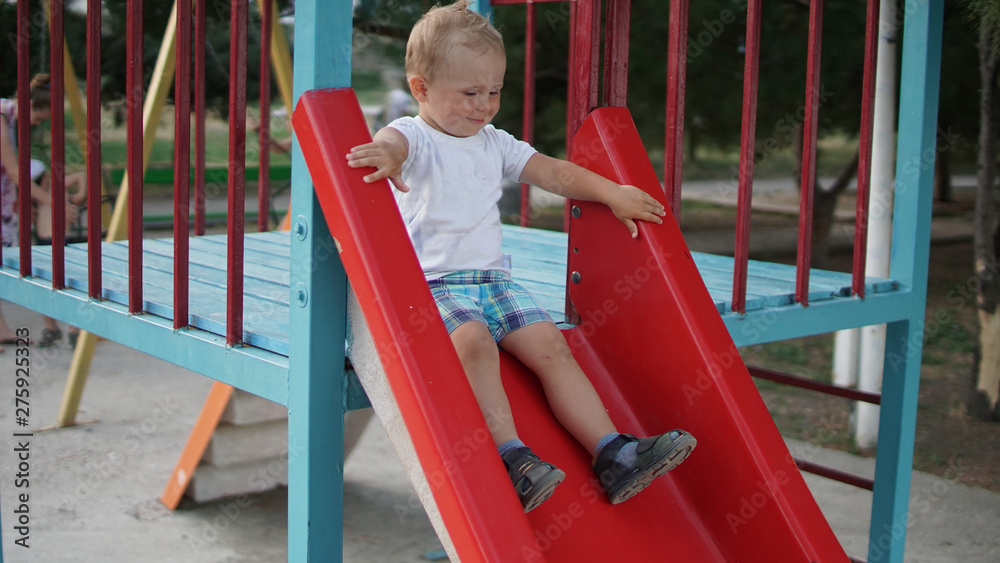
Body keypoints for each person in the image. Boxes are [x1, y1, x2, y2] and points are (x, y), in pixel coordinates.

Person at [346, 0, 696, 512]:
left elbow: (556, 173)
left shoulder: (494, 142)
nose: (485, 104)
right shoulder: (415, 135)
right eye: (470, 93)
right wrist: (386, 155)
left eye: (494, 91)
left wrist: (611, 192)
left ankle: (613, 454)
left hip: (495, 283)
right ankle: (512, 461)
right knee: (474, 346)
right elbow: (392, 144)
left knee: (552, 347)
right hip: (433, 284)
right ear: (420, 89)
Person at [0, 74, 80, 350]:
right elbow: (13, 171)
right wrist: (53, 202)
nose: (38, 122)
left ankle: (2, 329)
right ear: (29, 103)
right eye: (41, 116)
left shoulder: (9, 120)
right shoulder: (0, 116)